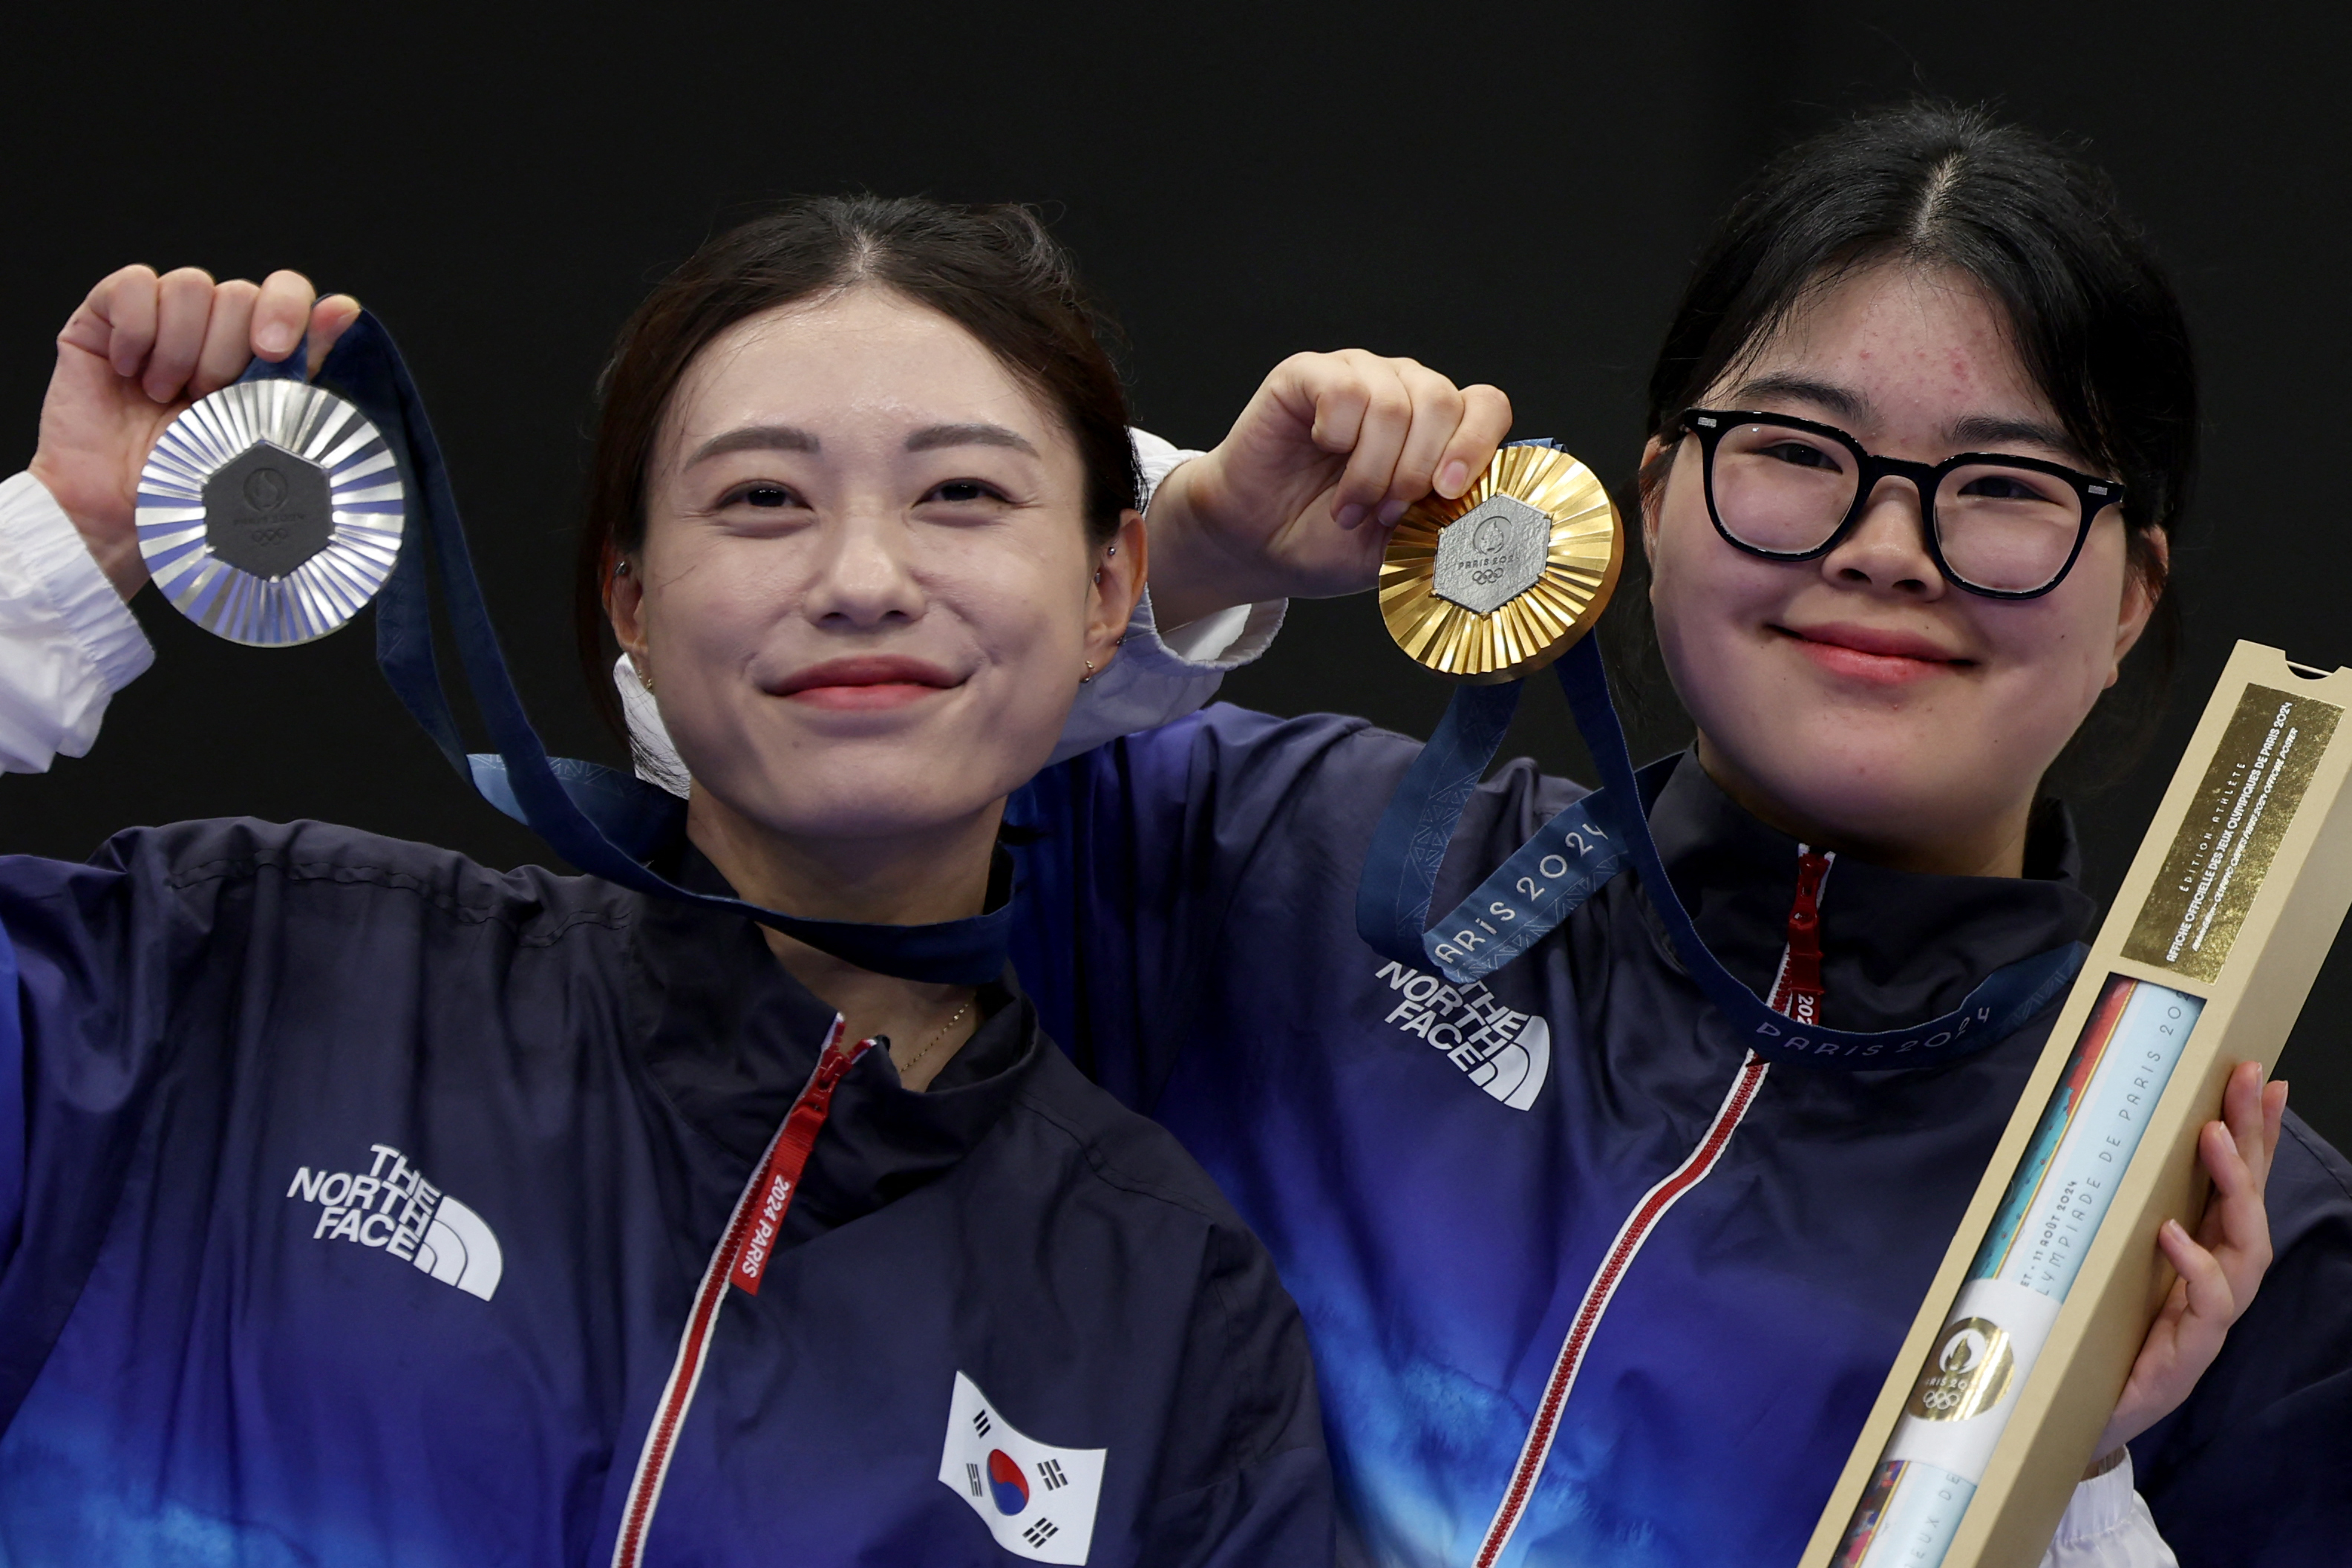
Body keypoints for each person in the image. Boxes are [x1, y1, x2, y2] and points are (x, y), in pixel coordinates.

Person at [0, 197, 1508, 1565]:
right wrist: (60, 548)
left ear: (1113, 588)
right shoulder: (241, 974)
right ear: (631, 604)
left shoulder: (1170, 1306)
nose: (862, 576)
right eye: (762, 501)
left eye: (965, 497)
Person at [935, 105, 2344, 1567]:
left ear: (2130, 597)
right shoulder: (1265, 865)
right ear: (1654, 499)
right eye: (1799, 448)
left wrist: (2075, 1487)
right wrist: (1192, 546)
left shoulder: (2212, 1233)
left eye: (2003, 485)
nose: (1882, 546)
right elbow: (745, 768)